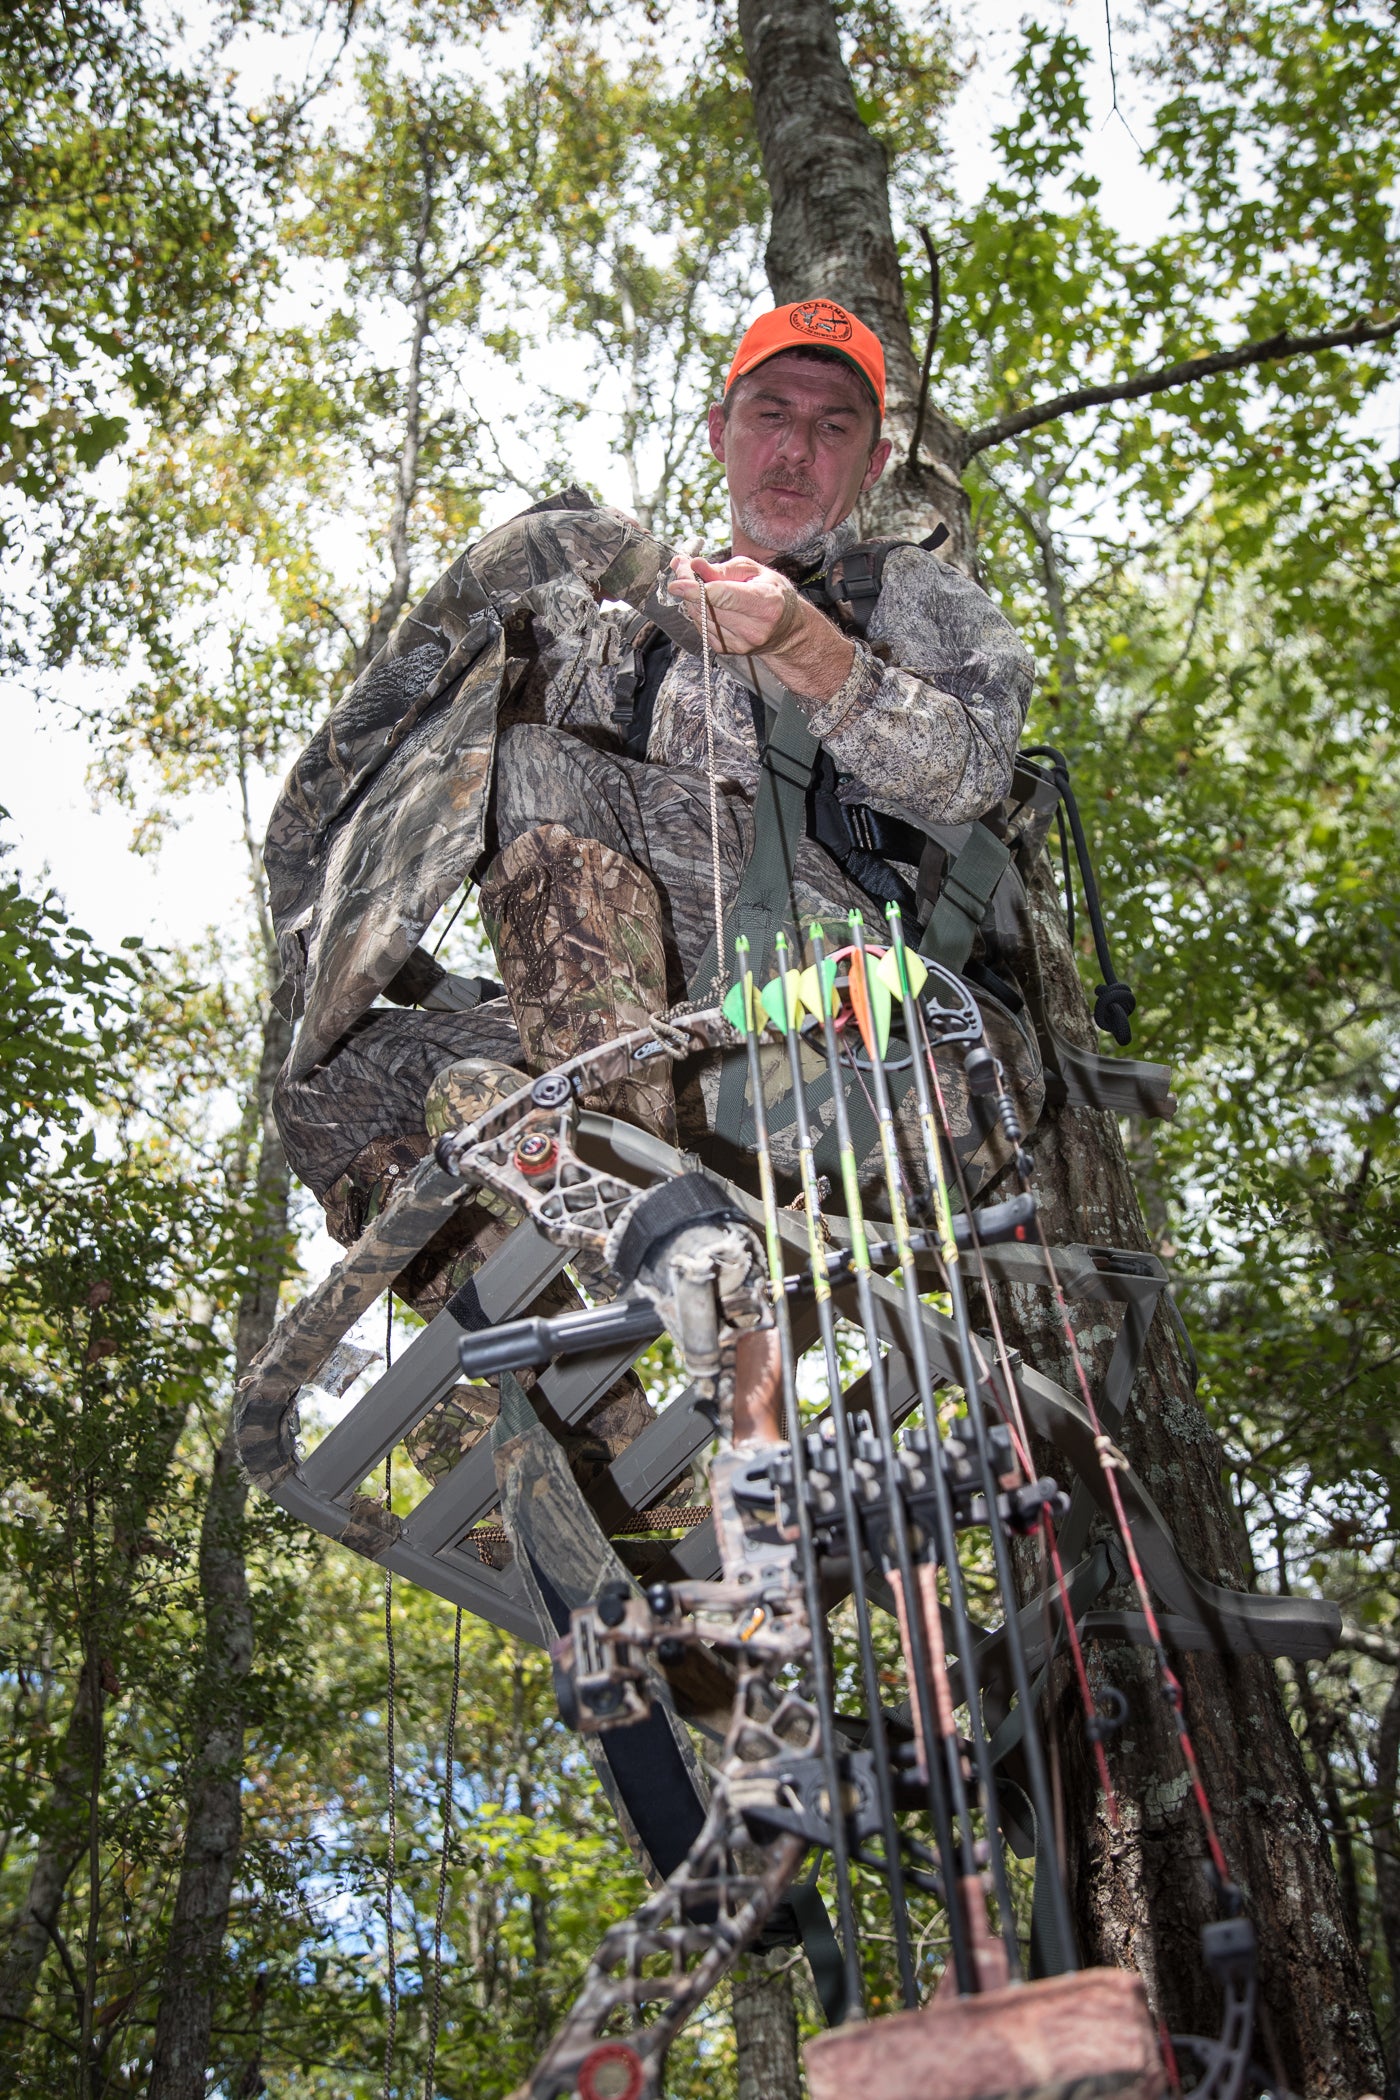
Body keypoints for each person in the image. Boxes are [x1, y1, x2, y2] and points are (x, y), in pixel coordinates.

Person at [265, 296, 1037, 1479]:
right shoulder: (607, 622)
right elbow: (429, 760)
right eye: (769, 414)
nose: (794, 448)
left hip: (858, 1048)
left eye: (832, 428)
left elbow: (968, 770)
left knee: (544, 771)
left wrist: (798, 642)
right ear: (719, 426)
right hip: (636, 1040)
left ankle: (645, 1218)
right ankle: (608, 1458)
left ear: (872, 462)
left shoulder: (914, 602)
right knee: (335, 1087)